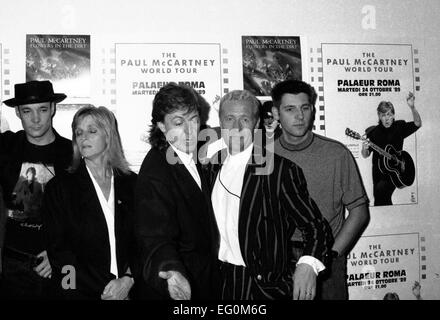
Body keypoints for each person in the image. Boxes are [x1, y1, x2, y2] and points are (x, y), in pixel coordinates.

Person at [205, 89, 333, 300]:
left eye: (245, 119)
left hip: (263, 288)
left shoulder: (280, 171)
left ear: (256, 125)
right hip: (219, 284)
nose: (236, 127)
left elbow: (315, 227)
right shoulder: (210, 168)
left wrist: (308, 264)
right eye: (230, 119)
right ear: (221, 124)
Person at [271, 79, 370, 300]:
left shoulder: (336, 154)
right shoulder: (263, 155)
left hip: (327, 257)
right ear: (276, 113)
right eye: (290, 109)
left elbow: (359, 211)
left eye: (305, 108)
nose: (299, 116)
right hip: (279, 259)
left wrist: (332, 254)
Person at [134, 83, 220, 300]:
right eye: (179, 123)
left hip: (208, 281)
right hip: (181, 289)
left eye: (193, 119)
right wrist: (170, 270)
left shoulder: (199, 156)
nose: (190, 131)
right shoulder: (156, 171)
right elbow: (154, 237)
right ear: (162, 126)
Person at [42, 106, 137, 300]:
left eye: (92, 131)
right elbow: (59, 253)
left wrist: (128, 280)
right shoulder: (59, 187)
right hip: (79, 293)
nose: (83, 137)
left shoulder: (132, 184)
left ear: (109, 135)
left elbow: (144, 240)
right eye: (79, 132)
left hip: (130, 291)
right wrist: (108, 289)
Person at [0, 80, 72, 299]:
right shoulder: (5, 146)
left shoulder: (72, 153)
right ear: (18, 113)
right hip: (11, 265)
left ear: (52, 109)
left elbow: (84, 213)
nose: (35, 119)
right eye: (27, 111)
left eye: (42, 109)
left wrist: (60, 255)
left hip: (56, 266)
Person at [361, 93, 422, 206]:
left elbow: (417, 124)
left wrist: (412, 107)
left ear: (393, 115)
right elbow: (365, 155)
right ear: (379, 116)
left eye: (389, 115)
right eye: (383, 115)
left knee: (381, 193)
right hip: (378, 173)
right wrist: (364, 148)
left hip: (396, 169)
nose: (387, 118)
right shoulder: (373, 132)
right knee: (380, 200)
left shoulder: (399, 127)